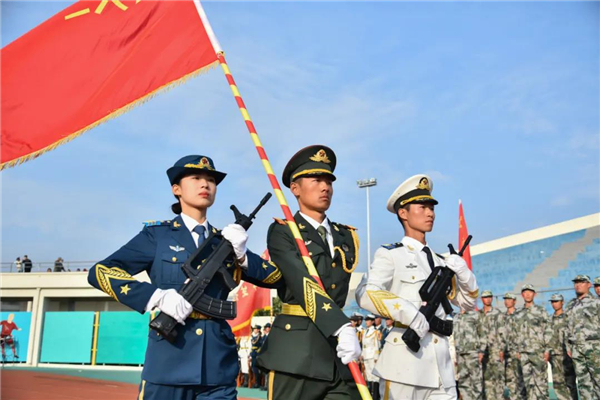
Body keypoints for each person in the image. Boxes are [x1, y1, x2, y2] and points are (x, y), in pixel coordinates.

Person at [87, 155, 282, 400]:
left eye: (211, 180)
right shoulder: (157, 236)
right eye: (196, 178)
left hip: (216, 365)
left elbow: (275, 278)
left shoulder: (227, 241)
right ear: (176, 189)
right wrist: (156, 297)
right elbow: (100, 272)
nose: (205, 184)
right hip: (169, 362)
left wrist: (242, 255)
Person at [356, 174, 479, 399]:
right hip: (404, 365)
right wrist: (410, 314)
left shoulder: (441, 261)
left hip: (441, 367)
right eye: (422, 207)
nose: (430, 213)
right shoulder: (391, 254)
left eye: (431, 208)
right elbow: (365, 292)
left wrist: (464, 274)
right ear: (403, 213)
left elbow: (468, 303)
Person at [257, 145, 361, 400]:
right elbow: (300, 281)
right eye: (316, 180)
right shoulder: (284, 231)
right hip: (296, 355)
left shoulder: (345, 235)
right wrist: (340, 326)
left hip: (337, 356)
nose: (325, 187)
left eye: (329, 181)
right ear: (295, 188)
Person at [564, 274, 600, 399]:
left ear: (589, 285)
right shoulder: (570, 304)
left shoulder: (596, 302)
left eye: (582, 282)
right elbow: (567, 327)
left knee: (598, 380)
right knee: (583, 383)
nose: (578, 285)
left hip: (594, 346)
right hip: (576, 348)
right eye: (576, 282)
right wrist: (568, 346)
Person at [515, 284, 549, 400]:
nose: (528, 294)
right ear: (522, 295)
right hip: (524, 353)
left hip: (538, 351)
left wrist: (547, 349)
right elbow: (515, 332)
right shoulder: (518, 313)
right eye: (525, 292)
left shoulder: (540, 311)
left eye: (530, 292)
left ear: (534, 294)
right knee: (528, 384)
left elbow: (548, 330)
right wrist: (517, 350)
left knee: (541, 383)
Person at [543, 293, 577, 400]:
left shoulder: (568, 318)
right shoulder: (549, 319)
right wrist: (547, 351)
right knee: (557, 384)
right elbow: (547, 337)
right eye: (553, 302)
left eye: (556, 301)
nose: (554, 304)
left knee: (570, 383)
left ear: (562, 302)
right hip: (554, 356)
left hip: (567, 356)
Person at [498, 292, 525, 400]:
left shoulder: (520, 315)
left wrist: (521, 350)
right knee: (510, 379)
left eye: (509, 299)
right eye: (505, 299)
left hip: (519, 352)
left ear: (514, 301)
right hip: (507, 353)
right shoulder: (502, 317)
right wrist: (501, 350)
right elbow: (501, 335)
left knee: (520, 378)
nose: (507, 302)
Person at [453, 307, 483, 400]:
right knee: (463, 381)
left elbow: (482, 333)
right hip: (460, 353)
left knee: (476, 381)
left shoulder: (475, 315)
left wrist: (481, 351)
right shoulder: (456, 317)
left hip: (473, 352)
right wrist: (454, 355)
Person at [478, 290, 503, 400]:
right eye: (485, 297)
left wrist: (501, 349)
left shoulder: (497, 313)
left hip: (495, 349)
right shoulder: (478, 314)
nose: (487, 299)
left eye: (489, 297)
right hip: (482, 351)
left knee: (498, 378)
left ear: (492, 298)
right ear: (481, 299)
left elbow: (502, 332)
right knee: (486, 378)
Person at [361, 314, 382, 399]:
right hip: (366, 355)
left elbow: (377, 345)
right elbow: (363, 345)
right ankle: (369, 394)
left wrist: (376, 357)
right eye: (366, 320)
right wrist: (362, 354)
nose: (366, 322)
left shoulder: (376, 332)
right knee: (368, 375)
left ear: (373, 321)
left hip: (372, 356)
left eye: (368, 320)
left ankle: (375, 395)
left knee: (375, 377)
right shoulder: (365, 331)